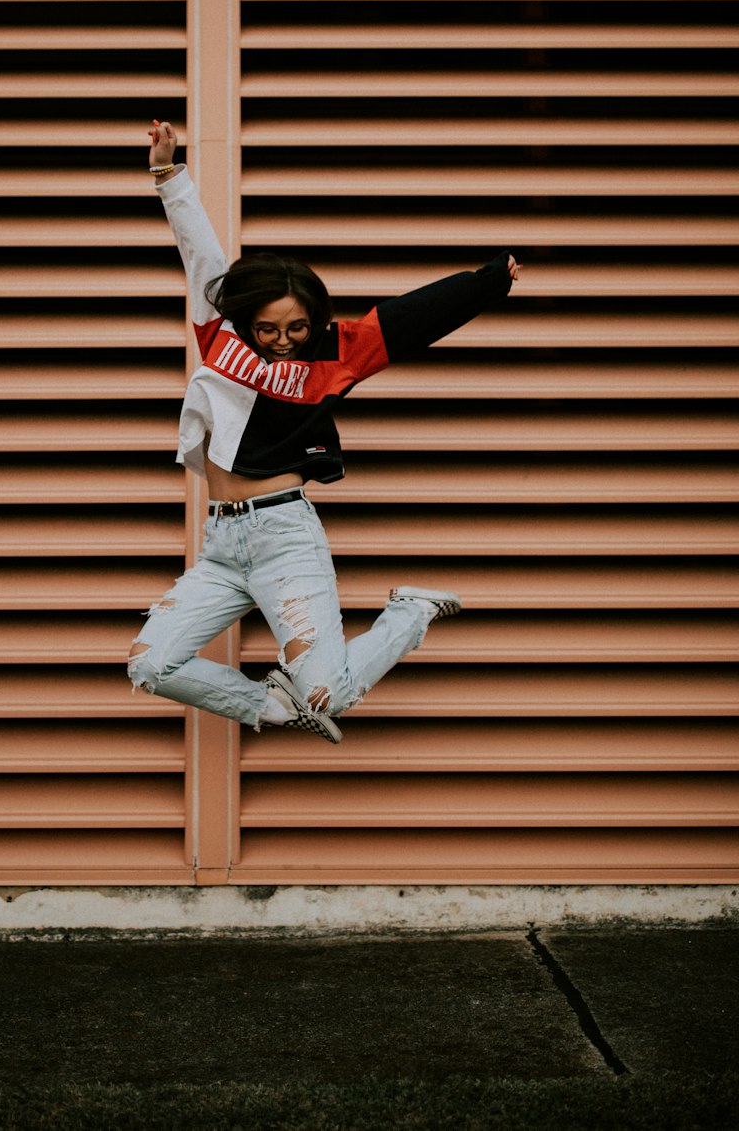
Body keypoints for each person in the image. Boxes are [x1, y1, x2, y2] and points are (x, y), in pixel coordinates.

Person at [128, 120, 521, 742]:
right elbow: (199, 250)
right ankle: (274, 708)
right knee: (150, 663)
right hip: (221, 544)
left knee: (329, 694)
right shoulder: (218, 333)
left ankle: (409, 614)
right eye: (269, 329)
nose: (284, 341)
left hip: (284, 535)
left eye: (297, 328)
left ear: (314, 320)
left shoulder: (338, 354)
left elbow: (411, 317)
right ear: (244, 320)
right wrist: (168, 173)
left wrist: (487, 280)